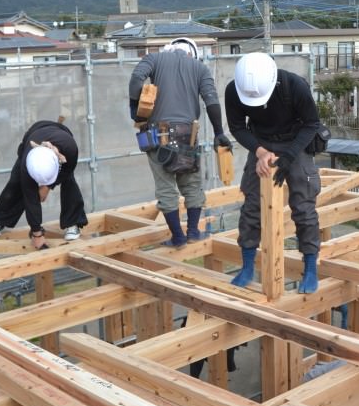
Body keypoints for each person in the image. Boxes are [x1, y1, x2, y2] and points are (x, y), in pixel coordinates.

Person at [225, 52, 322, 293]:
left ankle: (310, 268)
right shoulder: (234, 91)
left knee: (303, 207)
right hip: (261, 142)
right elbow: (237, 127)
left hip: (295, 142)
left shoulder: (294, 86)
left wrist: (289, 156)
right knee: (251, 207)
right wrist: (259, 152)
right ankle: (247, 266)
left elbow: (312, 124)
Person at [128, 37, 231, 247]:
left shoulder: (154, 58)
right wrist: (218, 132)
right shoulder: (199, 68)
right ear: (191, 53)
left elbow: (137, 79)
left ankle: (177, 237)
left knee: (166, 187)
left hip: (159, 135)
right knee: (191, 183)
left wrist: (137, 109)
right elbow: (211, 100)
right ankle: (193, 231)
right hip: (188, 135)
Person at [0, 120, 88, 248]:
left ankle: (73, 223)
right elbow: (31, 199)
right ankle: (0, 220)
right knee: (15, 183)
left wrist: (47, 187)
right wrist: (37, 233)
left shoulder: (70, 149)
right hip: (33, 134)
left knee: (69, 181)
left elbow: (66, 171)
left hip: (61, 134)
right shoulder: (27, 163)